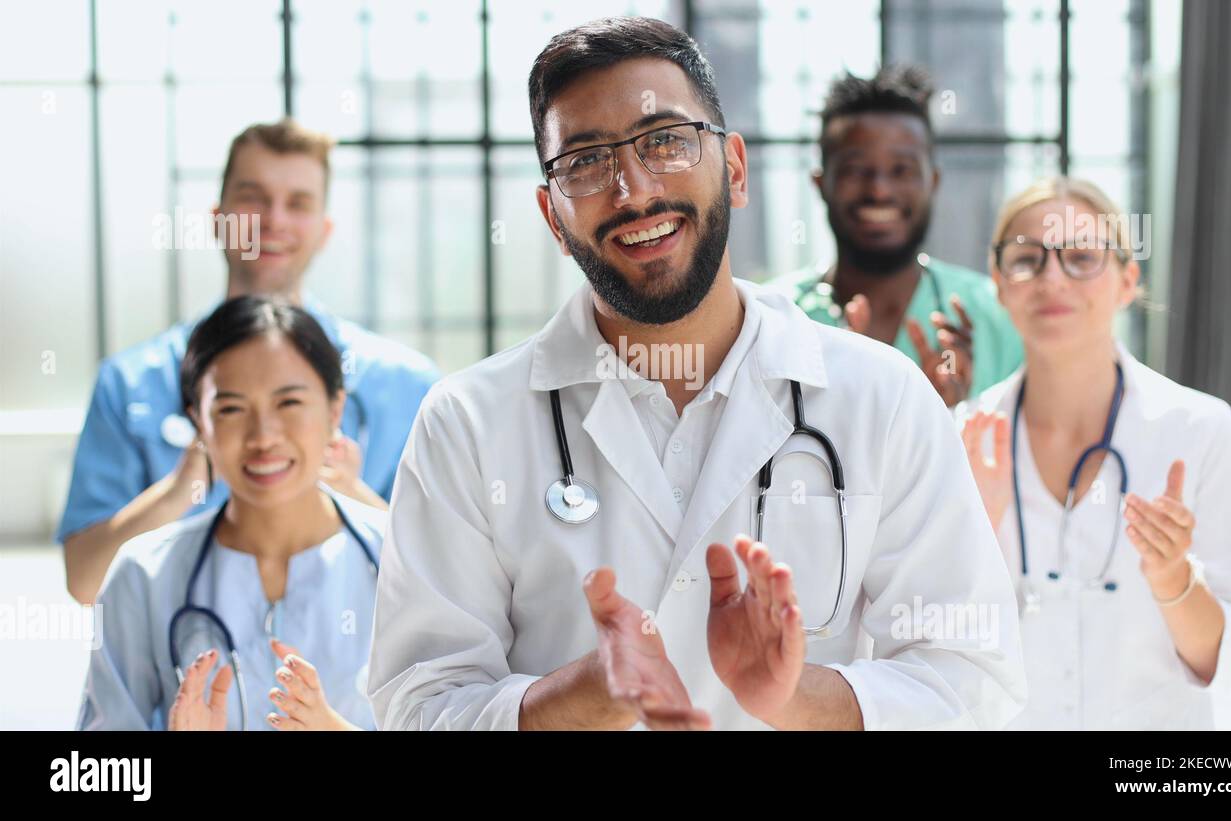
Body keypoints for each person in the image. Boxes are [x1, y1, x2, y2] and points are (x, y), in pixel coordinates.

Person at [367, 17, 1025, 731]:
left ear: (734, 169)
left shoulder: (883, 398)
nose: (633, 191)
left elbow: (972, 681)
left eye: (665, 141)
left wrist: (794, 695)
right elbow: (417, 704)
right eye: (585, 162)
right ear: (553, 216)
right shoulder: (467, 423)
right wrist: (582, 694)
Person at [59, 119, 439, 605]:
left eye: (297, 203)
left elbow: (443, 583)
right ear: (218, 219)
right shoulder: (129, 384)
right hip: (182, 648)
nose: (273, 221)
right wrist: (179, 492)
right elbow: (86, 581)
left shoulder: (406, 387)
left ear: (323, 231)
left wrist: (349, 494)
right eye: (253, 198)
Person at [956, 177, 1231, 729]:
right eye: (1027, 259)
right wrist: (976, 534)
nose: (1053, 278)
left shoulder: (1199, 429)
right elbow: (936, 647)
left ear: (1127, 282)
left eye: (1081, 257)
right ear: (999, 284)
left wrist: (1174, 579)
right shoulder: (964, 437)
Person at [78, 296, 385, 731]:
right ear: (198, 422)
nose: (263, 437)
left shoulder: (400, 559)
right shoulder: (144, 574)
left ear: (335, 408)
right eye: (231, 409)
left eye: (289, 403)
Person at [766, 66, 1022, 406]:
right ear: (820, 183)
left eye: (902, 170)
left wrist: (949, 414)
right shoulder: (771, 320)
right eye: (856, 170)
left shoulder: (1000, 315)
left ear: (933, 181)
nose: (879, 191)